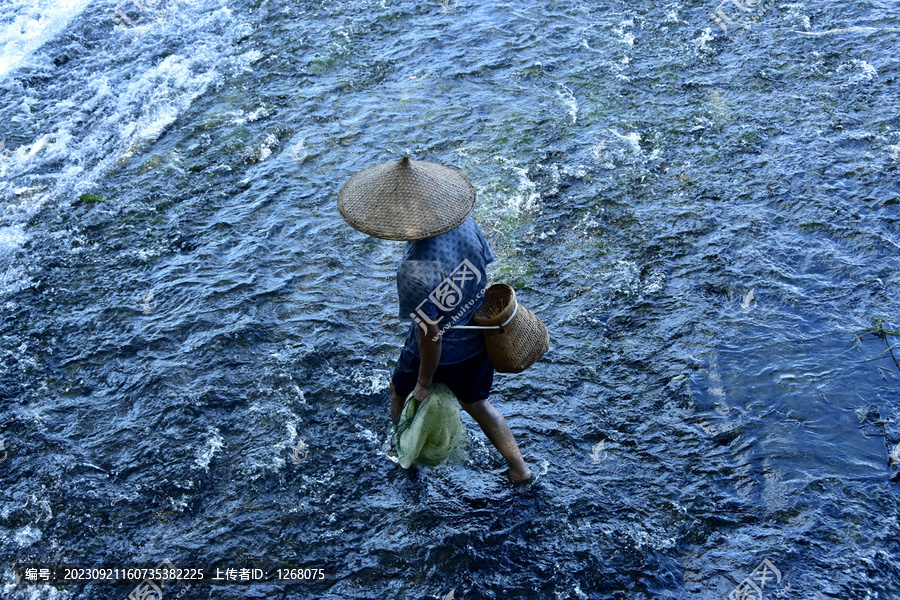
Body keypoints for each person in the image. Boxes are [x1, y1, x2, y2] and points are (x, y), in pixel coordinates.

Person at [337, 155, 531, 484]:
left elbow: (431, 337)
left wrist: (425, 383)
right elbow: (483, 269)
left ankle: (406, 455)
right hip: (477, 338)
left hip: (438, 351)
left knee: (400, 391)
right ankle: (519, 469)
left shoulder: (413, 268)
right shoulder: (465, 224)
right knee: (478, 405)